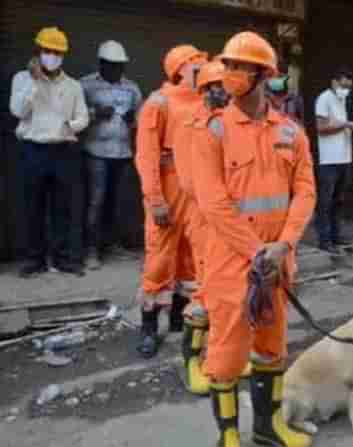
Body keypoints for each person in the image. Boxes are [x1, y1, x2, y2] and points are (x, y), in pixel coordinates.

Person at [192, 31, 316, 447]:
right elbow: (213, 204)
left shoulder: (291, 133)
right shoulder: (213, 131)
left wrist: (285, 244)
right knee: (226, 356)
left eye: (238, 66)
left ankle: (268, 429)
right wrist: (257, 250)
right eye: (226, 65)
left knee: (271, 347)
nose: (229, 73)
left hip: (278, 262)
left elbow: (305, 192)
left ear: (263, 74)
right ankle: (228, 438)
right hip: (232, 264)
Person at [134, 44, 208, 358]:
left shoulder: (208, 101)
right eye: (197, 66)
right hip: (167, 189)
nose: (204, 71)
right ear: (180, 69)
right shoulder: (158, 103)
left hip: (197, 191)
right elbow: (147, 156)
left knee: (192, 259)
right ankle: (149, 326)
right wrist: (155, 199)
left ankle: (181, 317)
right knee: (159, 259)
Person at [10, 27, 89, 278]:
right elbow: (18, 111)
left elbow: (83, 116)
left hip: (63, 151)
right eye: (47, 51)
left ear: (63, 55)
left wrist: (71, 126)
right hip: (33, 150)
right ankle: (35, 259)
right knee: (32, 207)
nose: (51, 56)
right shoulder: (22, 79)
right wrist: (34, 81)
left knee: (62, 209)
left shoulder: (73, 85)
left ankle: (62, 258)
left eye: (57, 52)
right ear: (38, 51)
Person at [177, 59, 229, 396]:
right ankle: (193, 362)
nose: (222, 92)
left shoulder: (230, 124)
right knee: (205, 289)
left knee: (227, 290)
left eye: (225, 86)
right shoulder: (192, 125)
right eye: (216, 87)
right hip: (203, 216)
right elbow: (188, 180)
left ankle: (222, 355)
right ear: (205, 90)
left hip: (228, 218)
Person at [80, 40, 142, 270]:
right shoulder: (86, 85)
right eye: (112, 65)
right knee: (96, 201)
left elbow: (143, 118)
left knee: (117, 202)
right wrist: (95, 113)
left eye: (120, 65)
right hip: (95, 153)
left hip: (122, 153)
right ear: (102, 64)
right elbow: (72, 115)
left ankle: (111, 245)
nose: (117, 69)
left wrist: (132, 121)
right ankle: (91, 250)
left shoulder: (131, 88)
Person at [314, 67, 353, 254]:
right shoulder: (324, 98)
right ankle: (324, 239)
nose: (346, 89)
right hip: (329, 160)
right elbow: (321, 127)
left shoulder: (342, 100)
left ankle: (335, 236)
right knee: (326, 201)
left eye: (348, 86)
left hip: (343, 158)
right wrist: (346, 125)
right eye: (343, 85)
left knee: (338, 201)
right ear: (334, 82)